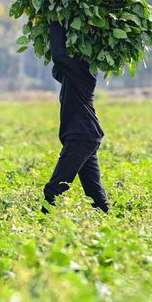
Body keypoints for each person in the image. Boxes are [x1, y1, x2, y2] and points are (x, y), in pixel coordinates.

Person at [41, 21, 108, 213]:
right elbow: (58, 69)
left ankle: (41, 222)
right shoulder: (73, 77)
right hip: (86, 136)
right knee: (94, 191)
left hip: (81, 137)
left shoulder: (84, 72)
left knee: (55, 186)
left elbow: (59, 58)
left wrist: (55, 23)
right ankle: (109, 219)